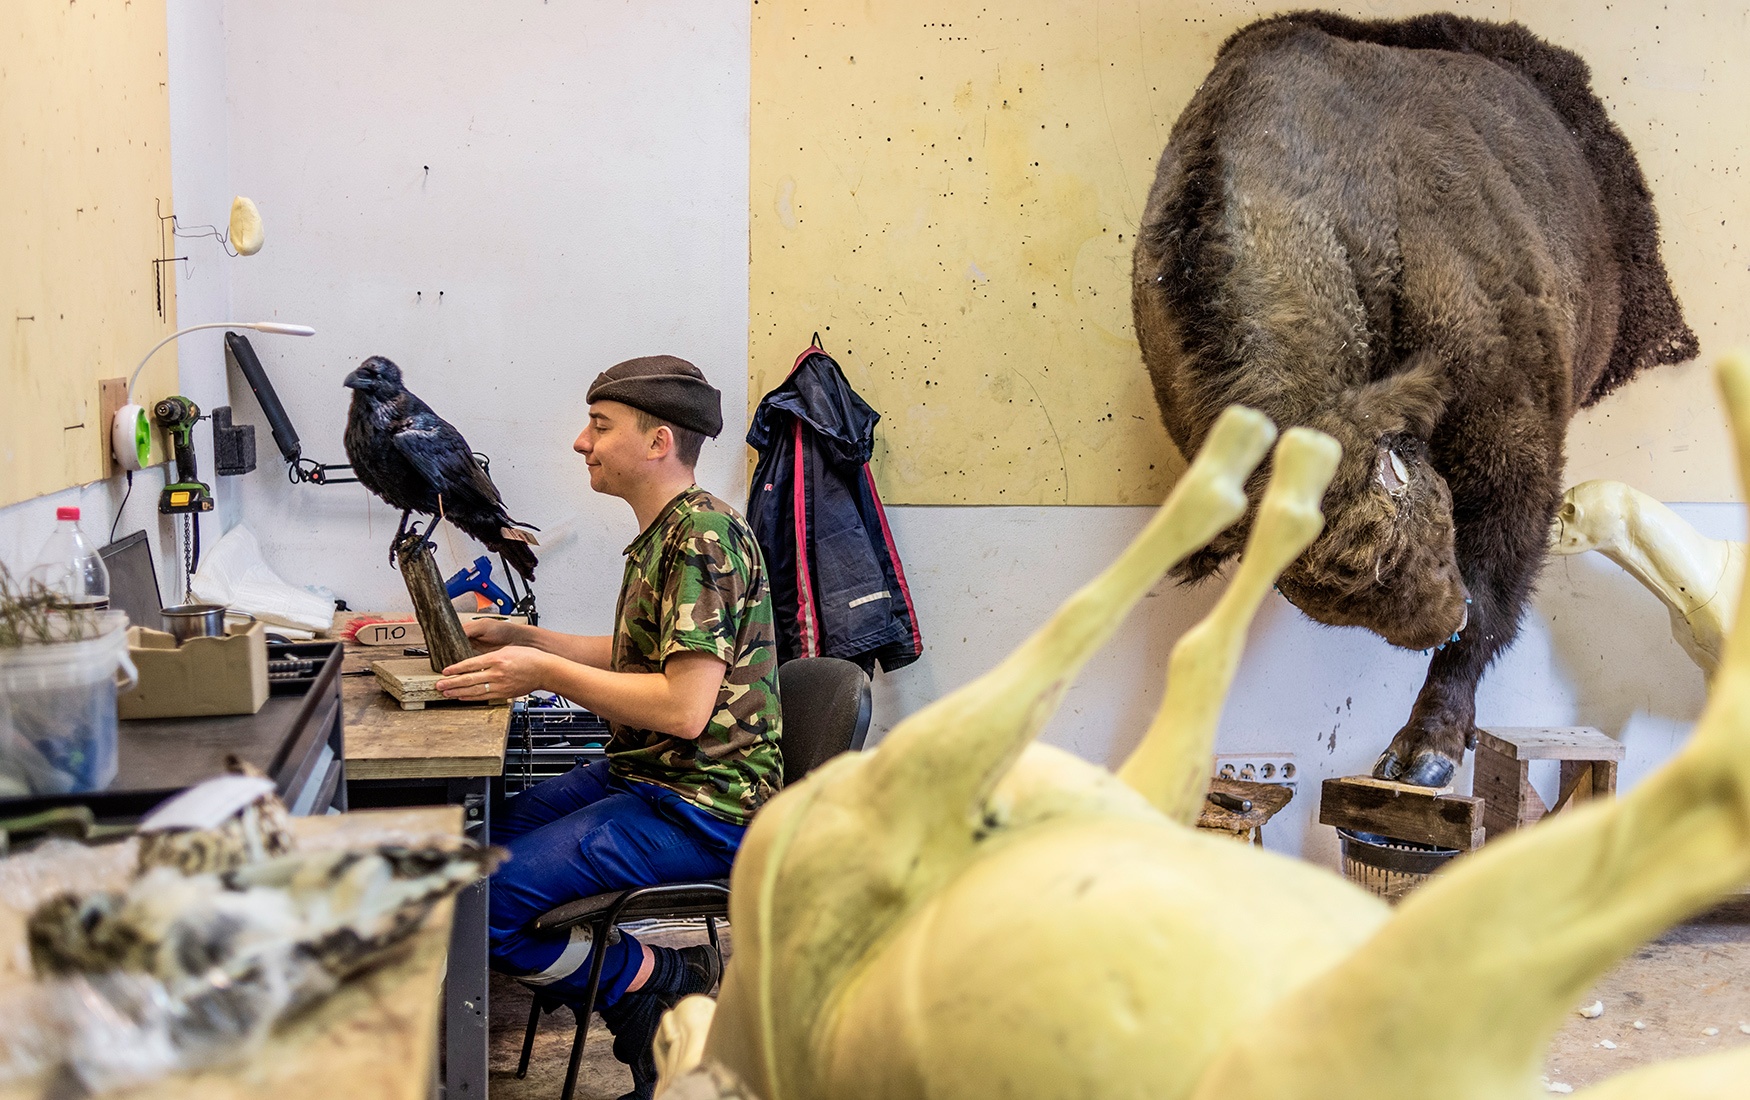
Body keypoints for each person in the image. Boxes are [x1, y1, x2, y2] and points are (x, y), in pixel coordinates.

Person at [435, 355, 783, 1100]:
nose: (581, 442)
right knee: (469, 848)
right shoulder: (668, 531)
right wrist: (528, 639)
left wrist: (545, 673)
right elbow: (643, 658)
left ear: (658, 442)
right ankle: (644, 990)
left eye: (599, 426)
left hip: (707, 807)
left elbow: (684, 707)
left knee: (478, 901)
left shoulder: (703, 537)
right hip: (651, 778)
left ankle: (651, 976)